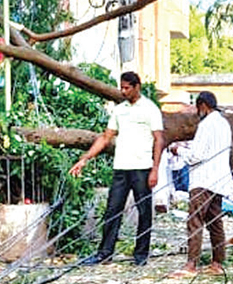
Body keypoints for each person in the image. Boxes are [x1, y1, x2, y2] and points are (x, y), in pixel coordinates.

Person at [69, 71, 164, 266]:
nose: (123, 91)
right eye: (121, 87)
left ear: (137, 86)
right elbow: (105, 137)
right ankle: (105, 253)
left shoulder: (150, 109)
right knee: (112, 210)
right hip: (121, 167)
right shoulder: (119, 110)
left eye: (127, 88)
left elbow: (159, 139)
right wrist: (85, 158)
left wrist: (155, 169)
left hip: (142, 168)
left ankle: (141, 255)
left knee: (144, 212)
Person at [173, 91, 233, 277]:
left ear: (203, 106)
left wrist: (178, 151)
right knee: (215, 223)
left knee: (195, 221)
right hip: (220, 180)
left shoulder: (206, 125)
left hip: (203, 180)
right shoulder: (224, 124)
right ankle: (218, 262)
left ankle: (191, 264)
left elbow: (196, 156)